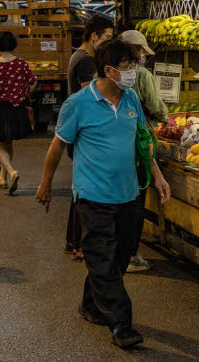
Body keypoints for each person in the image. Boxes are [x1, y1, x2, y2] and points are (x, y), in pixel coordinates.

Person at [36, 39, 171, 350]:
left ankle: (91, 304)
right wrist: (45, 184)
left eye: (134, 66)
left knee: (118, 258)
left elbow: (143, 140)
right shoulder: (79, 103)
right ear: (109, 70)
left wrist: (158, 177)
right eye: (127, 67)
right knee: (102, 258)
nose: (133, 72)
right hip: (93, 195)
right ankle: (122, 324)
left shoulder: (132, 99)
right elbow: (57, 146)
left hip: (128, 195)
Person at [65, 14, 114, 261]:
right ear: (94, 37)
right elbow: (91, 95)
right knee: (85, 194)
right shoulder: (85, 61)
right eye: (106, 38)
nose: (108, 42)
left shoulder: (79, 56)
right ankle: (79, 243)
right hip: (85, 134)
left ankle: (73, 240)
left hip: (80, 133)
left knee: (80, 192)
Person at [119, 29, 168, 273]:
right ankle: (129, 254)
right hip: (140, 140)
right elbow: (155, 106)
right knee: (136, 200)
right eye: (139, 51)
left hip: (125, 148)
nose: (141, 56)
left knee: (127, 199)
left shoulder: (113, 77)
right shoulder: (142, 75)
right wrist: (166, 117)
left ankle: (123, 252)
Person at [0, 30, 37, 195]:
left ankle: (11, 172)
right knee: (8, 142)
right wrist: (25, 94)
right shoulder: (22, 63)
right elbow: (33, 82)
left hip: (2, 108)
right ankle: (3, 178)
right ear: (14, 45)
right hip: (18, 108)